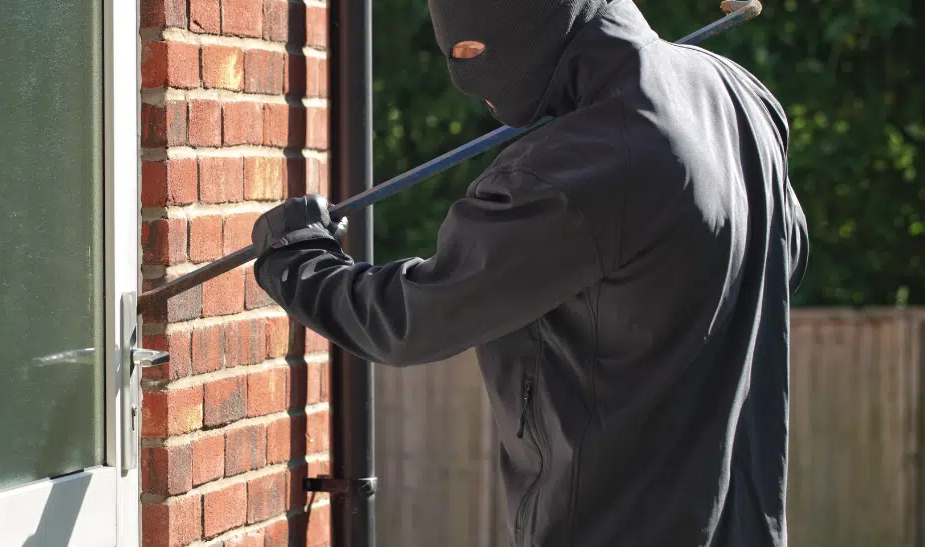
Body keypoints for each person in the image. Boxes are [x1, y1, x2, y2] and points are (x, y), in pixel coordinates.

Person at [248, 0, 810, 545]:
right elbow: (790, 254)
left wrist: (299, 261)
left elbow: (411, 319)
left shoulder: (577, 167)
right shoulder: (738, 94)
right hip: (747, 524)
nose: (473, 84)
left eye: (472, 50)